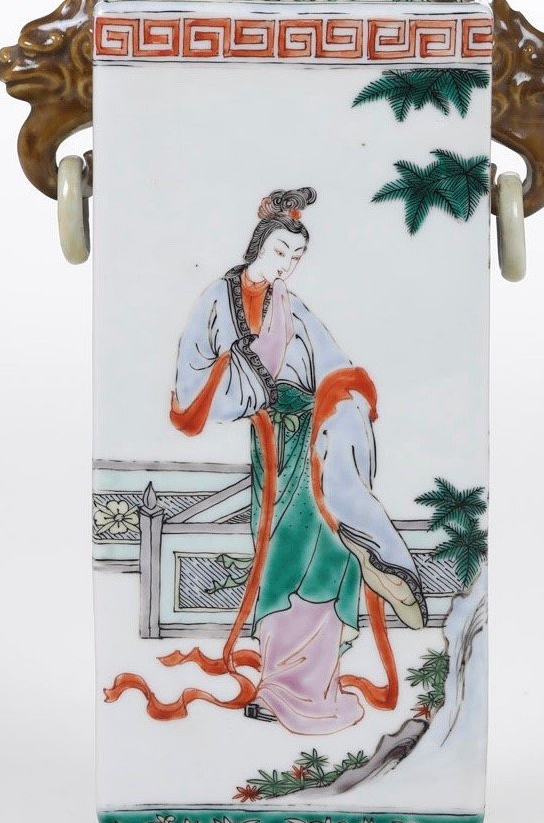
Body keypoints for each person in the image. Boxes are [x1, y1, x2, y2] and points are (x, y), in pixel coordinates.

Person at [104, 188, 426, 735]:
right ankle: (279, 687)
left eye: (296, 257)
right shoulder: (217, 299)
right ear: (258, 245)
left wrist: (342, 403)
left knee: (331, 552)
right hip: (276, 442)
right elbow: (193, 378)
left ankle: (317, 686)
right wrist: (248, 381)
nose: (287, 265)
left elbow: (335, 367)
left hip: (316, 442)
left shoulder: (291, 306)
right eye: (281, 251)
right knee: (280, 557)